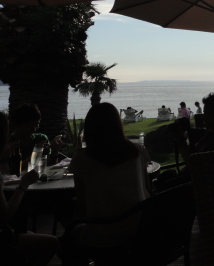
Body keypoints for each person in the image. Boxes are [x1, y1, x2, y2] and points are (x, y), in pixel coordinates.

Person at [67, 102, 151, 251]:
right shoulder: (137, 151)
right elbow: (147, 189)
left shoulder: (81, 158)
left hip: (103, 233)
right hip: (139, 229)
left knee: (70, 235)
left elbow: (82, 205)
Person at [0, 112, 59, 266]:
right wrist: (24, 184)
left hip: (6, 230)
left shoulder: (39, 138)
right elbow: (5, 213)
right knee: (52, 243)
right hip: (3, 238)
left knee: (29, 233)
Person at [9, 103, 63, 170]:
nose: (34, 129)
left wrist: (54, 152)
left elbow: (50, 166)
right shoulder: (8, 145)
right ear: (17, 125)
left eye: (37, 125)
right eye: (29, 126)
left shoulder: (41, 139)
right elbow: (13, 170)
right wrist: (37, 153)